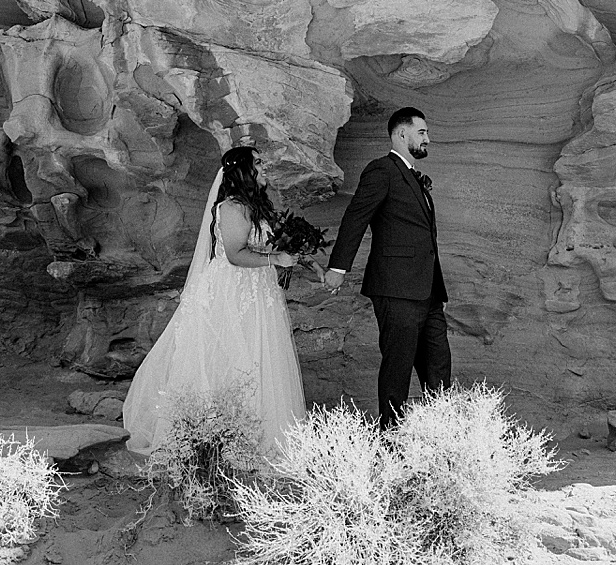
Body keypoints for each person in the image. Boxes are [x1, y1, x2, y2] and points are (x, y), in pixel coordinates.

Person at [123, 146, 306, 458]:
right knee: (232, 356)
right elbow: (235, 255)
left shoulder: (258, 206)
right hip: (232, 291)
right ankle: (220, 434)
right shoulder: (233, 207)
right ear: (244, 170)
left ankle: (258, 432)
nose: (265, 167)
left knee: (260, 355)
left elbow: (272, 240)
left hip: (258, 289)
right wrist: (276, 257)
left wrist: (295, 252)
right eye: (259, 162)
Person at [323, 107, 451, 430]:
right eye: (421, 132)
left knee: (439, 369)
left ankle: (442, 444)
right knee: (397, 371)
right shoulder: (382, 170)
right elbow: (356, 216)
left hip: (429, 292)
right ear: (401, 134)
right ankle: (391, 445)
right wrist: (339, 266)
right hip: (396, 290)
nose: (427, 139)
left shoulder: (414, 177)